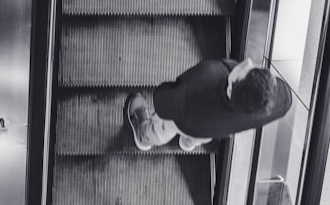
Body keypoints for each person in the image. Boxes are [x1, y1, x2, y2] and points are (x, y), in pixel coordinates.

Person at [125, 58, 292, 152]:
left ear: (233, 85)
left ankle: (144, 136)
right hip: (212, 128)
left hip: (185, 118)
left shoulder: (207, 77)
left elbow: (164, 101)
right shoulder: (279, 100)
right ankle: (187, 143)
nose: (248, 61)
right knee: (199, 136)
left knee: (163, 128)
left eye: (247, 69)